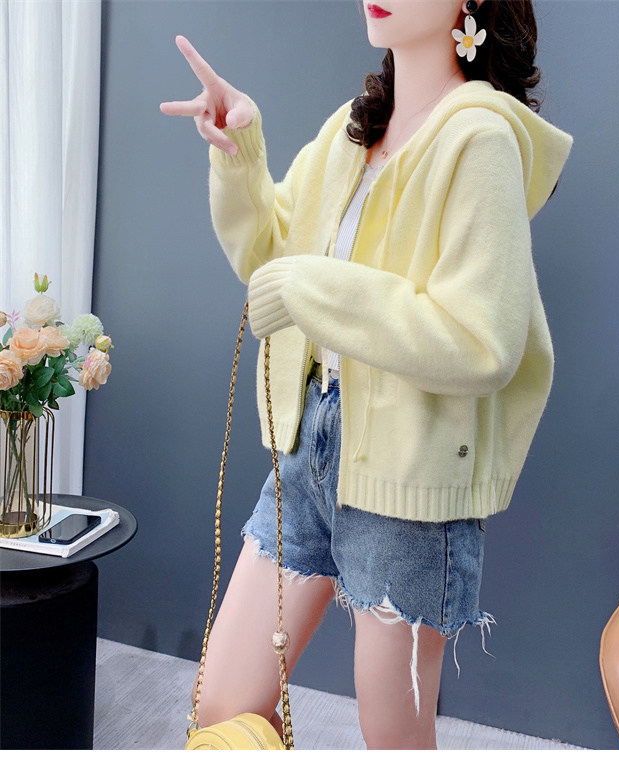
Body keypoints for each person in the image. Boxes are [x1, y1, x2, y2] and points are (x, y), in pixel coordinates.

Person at [160, 0, 572, 750]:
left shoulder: (480, 139)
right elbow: (271, 262)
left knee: (393, 743)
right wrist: (241, 152)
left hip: (408, 477)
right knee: (221, 708)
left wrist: (312, 290)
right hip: (306, 450)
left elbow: (481, 339)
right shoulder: (352, 128)